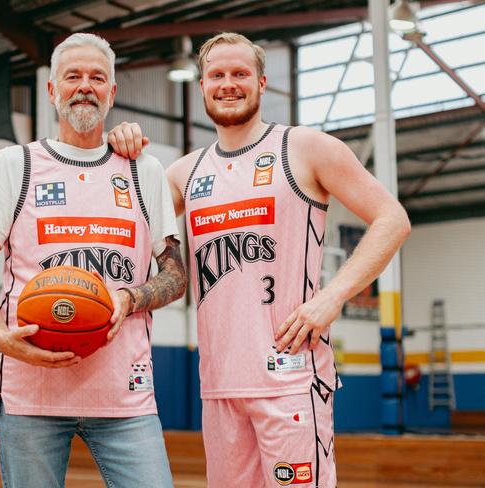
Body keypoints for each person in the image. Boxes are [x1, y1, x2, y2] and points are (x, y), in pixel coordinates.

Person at [108, 32, 411, 488]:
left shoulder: (306, 148)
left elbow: (392, 219)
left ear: (262, 82)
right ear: (202, 86)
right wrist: (119, 152)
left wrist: (333, 296)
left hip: (290, 377)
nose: (228, 83)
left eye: (240, 74)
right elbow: (119, 222)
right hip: (219, 387)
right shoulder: (186, 172)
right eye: (217, 75)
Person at [0, 33, 186, 488]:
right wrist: (0, 338)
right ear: (52, 89)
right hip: (31, 390)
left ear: (112, 93)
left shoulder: (144, 170)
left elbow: (175, 275)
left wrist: (130, 296)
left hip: (125, 393)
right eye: (73, 76)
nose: (85, 86)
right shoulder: (15, 164)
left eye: (97, 78)